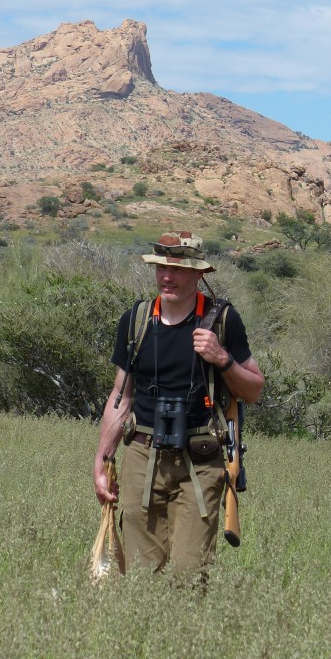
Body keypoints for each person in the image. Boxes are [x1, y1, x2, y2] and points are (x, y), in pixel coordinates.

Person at [93, 231, 264, 579]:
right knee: (143, 575)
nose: (167, 277)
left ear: (198, 274)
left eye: (179, 270)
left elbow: (254, 389)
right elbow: (120, 397)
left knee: (189, 573)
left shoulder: (223, 321)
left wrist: (222, 358)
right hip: (142, 456)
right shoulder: (136, 321)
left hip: (200, 460)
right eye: (161, 268)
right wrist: (102, 461)